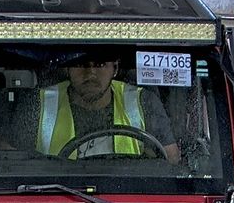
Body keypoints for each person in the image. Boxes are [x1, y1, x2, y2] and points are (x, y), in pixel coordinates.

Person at [33, 54, 182, 163]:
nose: (90, 73)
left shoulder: (143, 102)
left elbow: (170, 161)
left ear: (115, 68)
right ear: (67, 69)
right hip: (56, 195)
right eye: (80, 64)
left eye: (100, 64)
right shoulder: (39, 103)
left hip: (127, 198)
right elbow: (12, 163)